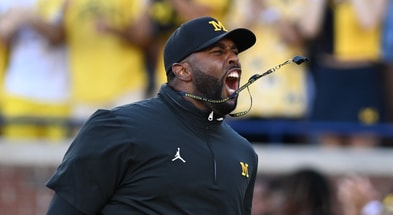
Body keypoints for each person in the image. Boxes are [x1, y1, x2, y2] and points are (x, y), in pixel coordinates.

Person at [45, 16, 259, 214]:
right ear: (182, 71)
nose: (233, 59)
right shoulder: (118, 127)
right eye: (218, 52)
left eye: (235, 52)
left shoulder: (244, 152)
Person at [309, 0, 388, 147]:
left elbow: (368, 22)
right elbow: (310, 29)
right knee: (329, 149)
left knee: (362, 146)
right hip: (329, 75)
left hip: (361, 75)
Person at [0, 0, 71, 141]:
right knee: (18, 158)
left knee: (60, 159)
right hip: (18, 92)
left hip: (59, 95)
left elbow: (59, 37)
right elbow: (4, 38)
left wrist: (29, 18)